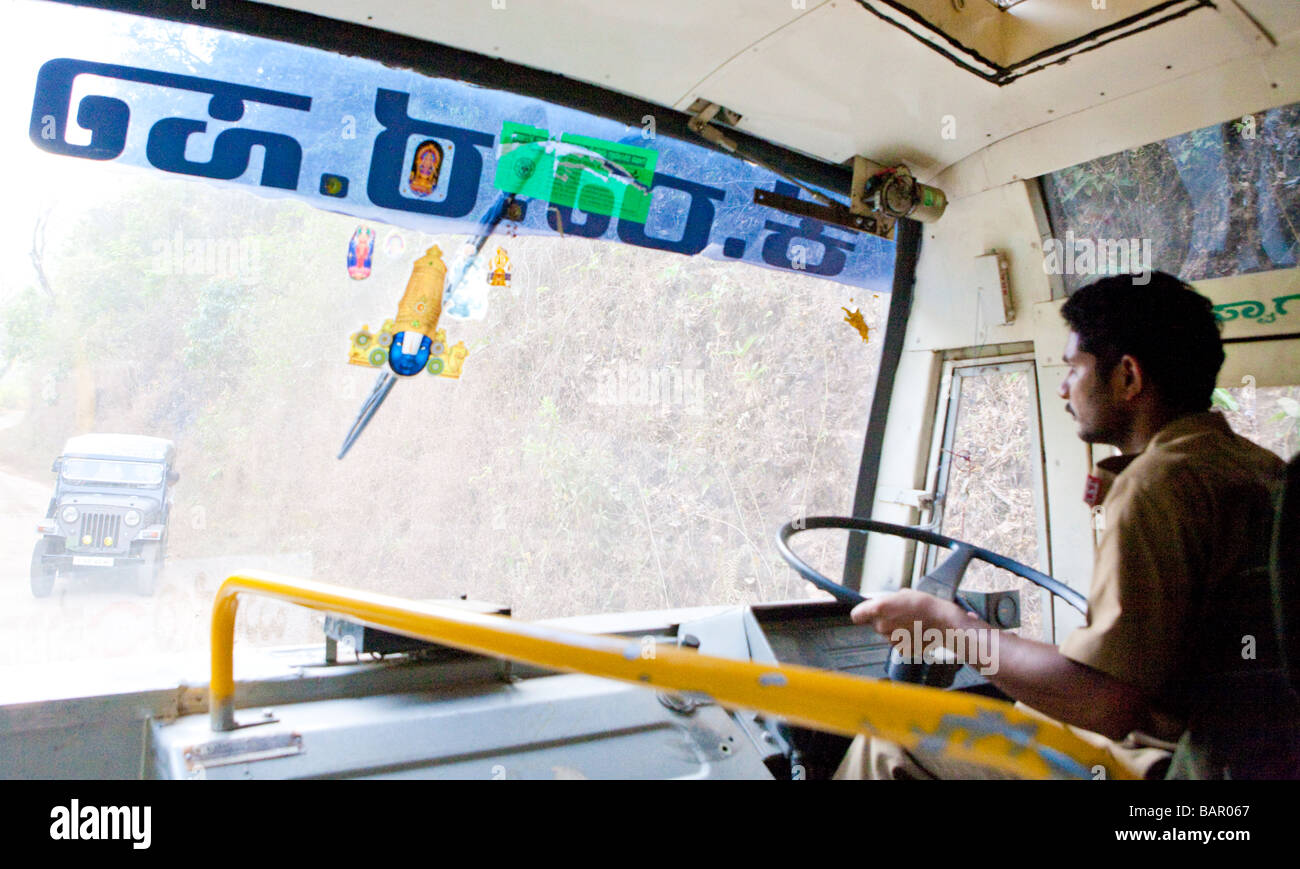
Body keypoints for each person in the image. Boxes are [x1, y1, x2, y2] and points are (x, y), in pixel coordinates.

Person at [839, 271, 1288, 779]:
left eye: (1074, 368)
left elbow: (1107, 706)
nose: (1062, 388)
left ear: (1128, 377)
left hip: (1168, 765)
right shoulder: (1256, 465)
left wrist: (945, 622)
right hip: (1234, 751)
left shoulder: (1157, 484)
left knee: (889, 742)